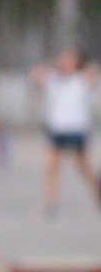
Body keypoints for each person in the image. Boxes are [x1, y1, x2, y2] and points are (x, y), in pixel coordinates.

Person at [30, 47, 101, 216]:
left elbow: (94, 71)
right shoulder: (54, 79)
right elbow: (35, 74)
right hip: (58, 128)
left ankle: (97, 192)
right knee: (52, 167)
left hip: (77, 128)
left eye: (70, 59)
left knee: (83, 166)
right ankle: (50, 201)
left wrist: (81, 67)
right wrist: (54, 64)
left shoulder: (82, 79)